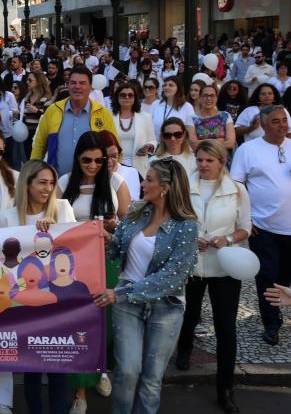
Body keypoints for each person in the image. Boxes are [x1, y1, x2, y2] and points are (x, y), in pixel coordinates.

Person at [98, 157, 198, 414]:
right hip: (127, 303)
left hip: (166, 307)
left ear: (165, 186)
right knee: (127, 371)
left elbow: (172, 277)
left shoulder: (186, 226)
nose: (143, 184)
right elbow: (115, 250)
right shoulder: (136, 212)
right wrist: (104, 236)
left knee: (151, 380)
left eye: (149, 179)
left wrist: (120, 293)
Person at [0, 160, 75, 414]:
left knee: (58, 366)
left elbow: (76, 250)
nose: (48, 188)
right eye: (42, 182)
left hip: (58, 302)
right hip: (23, 303)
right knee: (31, 368)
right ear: (27, 184)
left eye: (51, 183)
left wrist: (57, 230)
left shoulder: (62, 209)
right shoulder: (8, 215)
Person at [58, 131, 131, 412]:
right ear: (78, 158)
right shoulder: (64, 182)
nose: (92, 166)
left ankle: (102, 369)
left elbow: (128, 222)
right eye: (86, 160)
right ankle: (80, 392)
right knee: (80, 325)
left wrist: (112, 229)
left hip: (107, 259)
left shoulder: (115, 181)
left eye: (99, 160)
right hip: (74, 264)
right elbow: (52, 222)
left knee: (108, 321)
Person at [175, 140, 250, 413]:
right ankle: (184, 349)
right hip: (193, 263)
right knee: (189, 313)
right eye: (200, 160)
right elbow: (175, 220)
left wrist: (226, 238)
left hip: (224, 265)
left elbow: (245, 228)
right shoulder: (184, 186)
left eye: (209, 160)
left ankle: (226, 388)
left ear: (221, 162)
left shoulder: (237, 190)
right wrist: (192, 238)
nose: (203, 165)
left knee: (226, 327)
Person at [230, 104, 291, 346]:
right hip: (263, 227)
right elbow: (236, 185)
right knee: (267, 276)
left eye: (284, 120)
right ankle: (271, 323)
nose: (282, 125)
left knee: (284, 277)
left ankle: (279, 303)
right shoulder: (249, 150)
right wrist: (245, 219)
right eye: (275, 121)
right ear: (263, 124)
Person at [30, 66, 117, 176]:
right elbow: (39, 146)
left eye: (82, 83)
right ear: (68, 85)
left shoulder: (103, 114)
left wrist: (112, 177)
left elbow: (115, 150)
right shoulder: (53, 111)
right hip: (58, 184)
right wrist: (32, 173)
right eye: (73, 83)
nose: (77, 87)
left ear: (90, 87)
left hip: (93, 185)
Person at [112, 80, 156, 177]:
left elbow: (153, 140)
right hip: (115, 166)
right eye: (123, 95)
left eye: (130, 95)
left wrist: (149, 146)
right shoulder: (109, 117)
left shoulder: (146, 117)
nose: (127, 97)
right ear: (117, 97)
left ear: (135, 98)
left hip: (139, 166)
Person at [189, 84, 236, 150]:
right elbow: (193, 144)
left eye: (212, 95)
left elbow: (230, 143)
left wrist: (202, 141)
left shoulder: (225, 116)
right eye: (205, 95)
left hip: (222, 158)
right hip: (201, 157)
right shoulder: (191, 118)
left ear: (216, 98)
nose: (209, 98)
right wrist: (220, 140)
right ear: (199, 98)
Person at [17, 72, 53, 161]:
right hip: (26, 135)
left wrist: (36, 111)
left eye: (30, 80)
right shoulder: (26, 99)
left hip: (39, 135)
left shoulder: (46, 98)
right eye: (27, 80)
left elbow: (48, 118)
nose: (27, 82)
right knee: (27, 159)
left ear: (38, 81)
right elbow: (23, 117)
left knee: (37, 160)